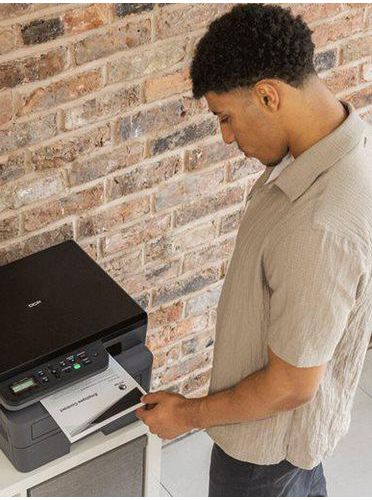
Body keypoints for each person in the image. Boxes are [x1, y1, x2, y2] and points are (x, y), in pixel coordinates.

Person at [135, 3, 372, 497]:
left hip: (264, 459)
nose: (226, 136)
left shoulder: (319, 226)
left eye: (226, 117)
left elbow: (289, 386)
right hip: (287, 449)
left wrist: (188, 415)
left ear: (267, 95)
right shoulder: (332, 145)